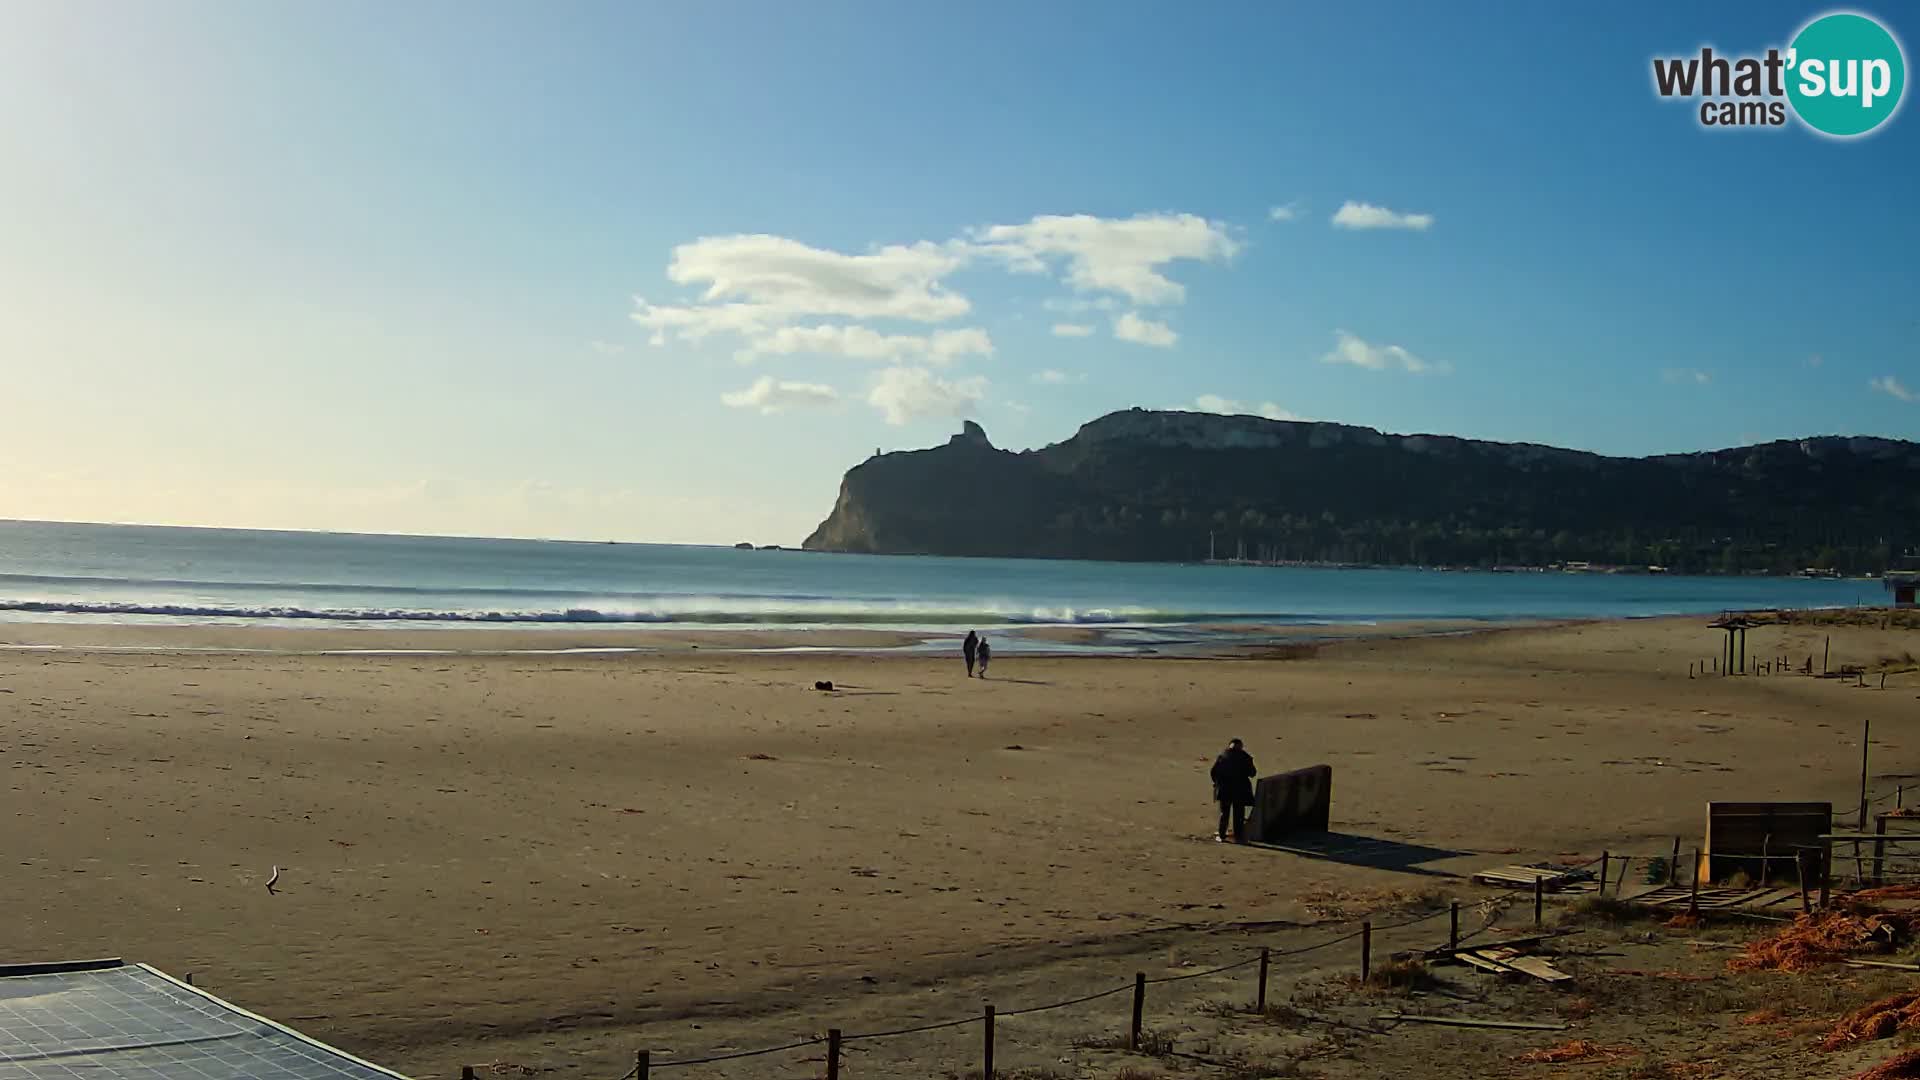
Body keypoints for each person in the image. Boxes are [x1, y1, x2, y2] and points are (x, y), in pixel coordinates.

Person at [1209, 738, 1257, 843]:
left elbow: (1213, 772)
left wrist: (1216, 783)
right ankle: (1238, 837)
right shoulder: (1245, 757)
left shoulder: (1223, 757)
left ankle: (1222, 835)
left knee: (1224, 814)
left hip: (1225, 790)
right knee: (1239, 814)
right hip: (1240, 790)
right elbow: (1252, 773)